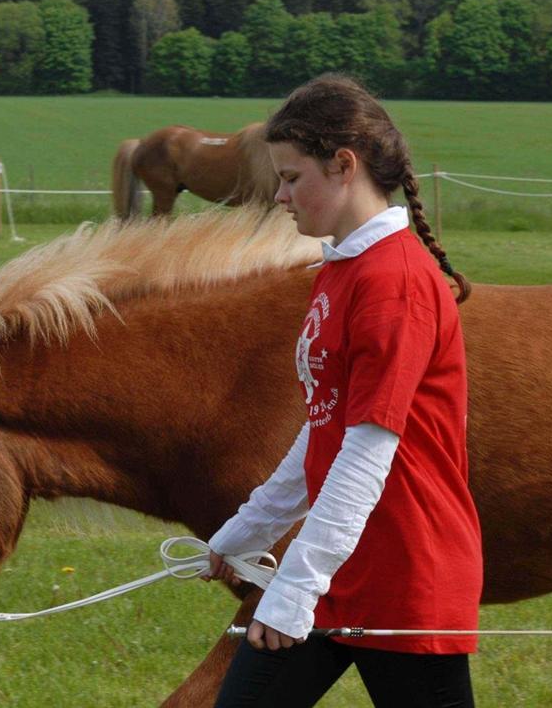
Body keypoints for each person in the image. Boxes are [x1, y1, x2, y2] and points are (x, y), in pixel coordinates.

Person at [204, 74, 483, 707]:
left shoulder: (395, 280)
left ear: (344, 165)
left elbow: (367, 448)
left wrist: (297, 585)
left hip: (405, 574)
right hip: (340, 566)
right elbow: (324, 427)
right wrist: (246, 531)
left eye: (291, 177)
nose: (279, 195)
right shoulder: (342, 268)